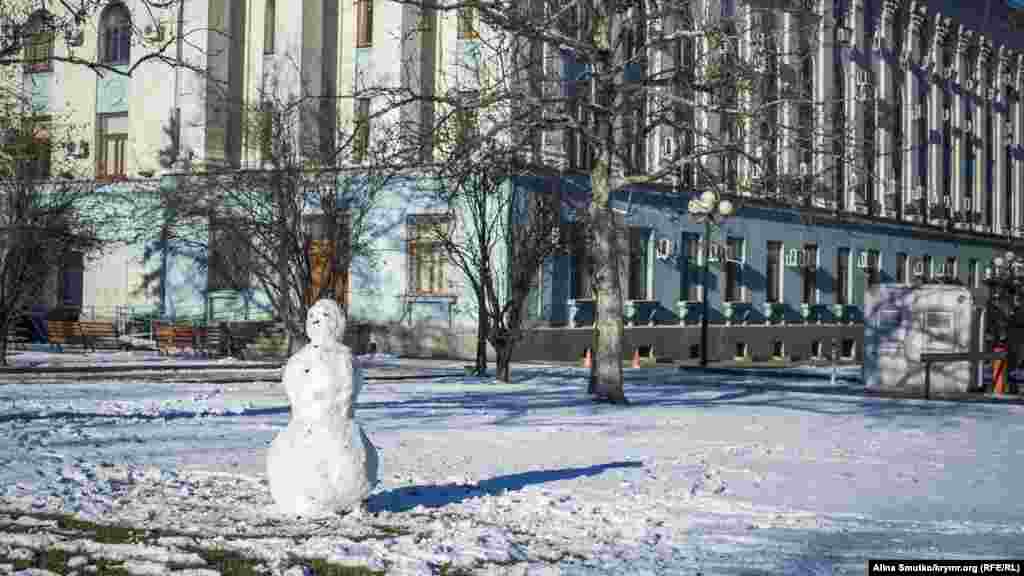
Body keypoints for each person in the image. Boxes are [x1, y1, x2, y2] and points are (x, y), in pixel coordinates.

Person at [266, 299, 379, 516]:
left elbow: (346, 394)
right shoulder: (299, 359)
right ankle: (303, 498)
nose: (318, 320)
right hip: (304, 427)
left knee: (345, 463)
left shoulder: (345, 358)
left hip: (337, 428)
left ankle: (347, 498)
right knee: (298, 463)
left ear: (337, 323)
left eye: (326, 315)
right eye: (313, 316)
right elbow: (293, 390)